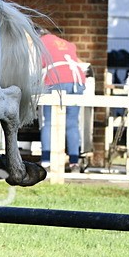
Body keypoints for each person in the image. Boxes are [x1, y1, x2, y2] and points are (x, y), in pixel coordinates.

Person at [39, 28, 87, 172]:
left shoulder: (40, 42)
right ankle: (74, 162)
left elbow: (34, 66)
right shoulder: (66, 43)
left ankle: (46, 162)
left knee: (49, 122)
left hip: (56, 79)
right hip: (77, 81)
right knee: (72, 123)